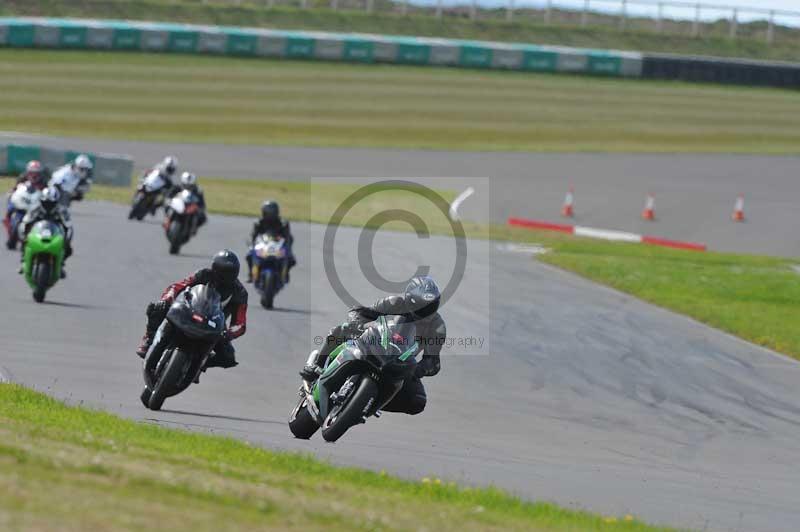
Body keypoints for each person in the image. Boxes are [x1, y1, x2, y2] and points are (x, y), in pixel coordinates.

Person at [301, 275, 446, 416]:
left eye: (431, 305)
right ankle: (317, 366)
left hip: (400, 362)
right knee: (342, 329)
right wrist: (356, 323)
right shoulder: (394, 303)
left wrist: (419, 370)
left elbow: (432, 361)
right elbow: (361, 311)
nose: (426, 311)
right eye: (422, 306)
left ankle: (370, 402)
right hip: (374, 342)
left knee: (417, 401)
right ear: (410, 301)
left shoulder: (437, 327)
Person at [135, 250, 248, 375]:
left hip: (214, 324)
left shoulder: (240, 292)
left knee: (228, 358)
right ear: (215, 268)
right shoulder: (203, 274)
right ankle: (149, 339)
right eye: (223, 271)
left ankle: (200, 363)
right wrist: (167, 299)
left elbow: (240, 322)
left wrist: (229, 333)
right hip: (189, 309)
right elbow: (178, 286)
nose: (226, 275)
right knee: (157, 308)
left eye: (231, 272)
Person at [18, 187, 73, 277]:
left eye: (51, 203)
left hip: (55, 234)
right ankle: (24, 260)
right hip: (37, 233)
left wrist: (67, 240)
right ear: (41, 201)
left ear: (56, 202)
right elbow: (25, 222)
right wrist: (24, 235)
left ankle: (61, 264)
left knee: (68, 249)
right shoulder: (35, 208)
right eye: (45, 203)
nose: (48, 205)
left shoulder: (62, 211)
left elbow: (69, 227)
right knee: (24, 243)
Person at [246, 200, 295, 283]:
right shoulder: (258, 223)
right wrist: (251, 245)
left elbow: (288, 237)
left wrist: (288, 246)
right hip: (263, 244)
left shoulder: (283, 224)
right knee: (249, 255)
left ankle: (285, 273)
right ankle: (251, 274)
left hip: (277, 245)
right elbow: (252, 236)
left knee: (291, 259)